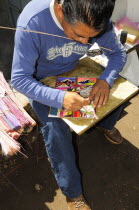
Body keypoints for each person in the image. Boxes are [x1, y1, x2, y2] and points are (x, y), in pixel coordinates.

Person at [11, 0, 126, 209]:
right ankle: (73, 193)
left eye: (90, 37)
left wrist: (105, 81)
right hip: (41, 82)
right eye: (78, 34)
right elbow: (19, 80)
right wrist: (59, 98)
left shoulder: (96, 15)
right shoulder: (32, 22)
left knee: (117, 88)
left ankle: (105, 124)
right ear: (60, 9)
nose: (85, 43)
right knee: (56, 128)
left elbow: (118, 54)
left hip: (75, 68)